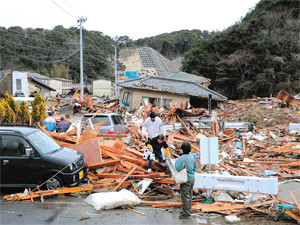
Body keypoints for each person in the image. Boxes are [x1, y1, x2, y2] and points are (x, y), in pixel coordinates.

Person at [175, 142, 197, 219]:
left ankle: (186, 213)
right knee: (190, 195)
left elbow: (177, 168)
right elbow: (195, 166)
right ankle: (188, 210)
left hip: (185, 179)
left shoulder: (182, 158)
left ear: (182, 149)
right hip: (192, 178)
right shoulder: (192, 156)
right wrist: (191, 172)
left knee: (184, 196)